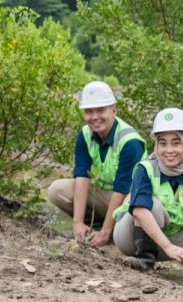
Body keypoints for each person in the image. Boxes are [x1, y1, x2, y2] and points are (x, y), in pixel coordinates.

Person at [112, 108, 183, 276]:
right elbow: (138, 210)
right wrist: (168, 247)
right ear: (156, 145)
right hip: (130, 237)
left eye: (176, 143)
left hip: (168, 239)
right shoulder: (146, 169)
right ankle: (144, 261)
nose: (169, 150)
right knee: (152, 205)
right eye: (163, 143)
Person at [47, 81, 146, 247]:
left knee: (132, 206)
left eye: (101, 110)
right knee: (57, 190)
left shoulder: (129, 141)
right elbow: (82, 177)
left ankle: (114, 233)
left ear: (113, 110)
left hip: (129, 199)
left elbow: (121, 190)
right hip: (104, 195)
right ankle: (93, 227)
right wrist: (77, 222)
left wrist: (106, 233)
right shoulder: (85, 134)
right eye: (89, 111)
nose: (94, 117)